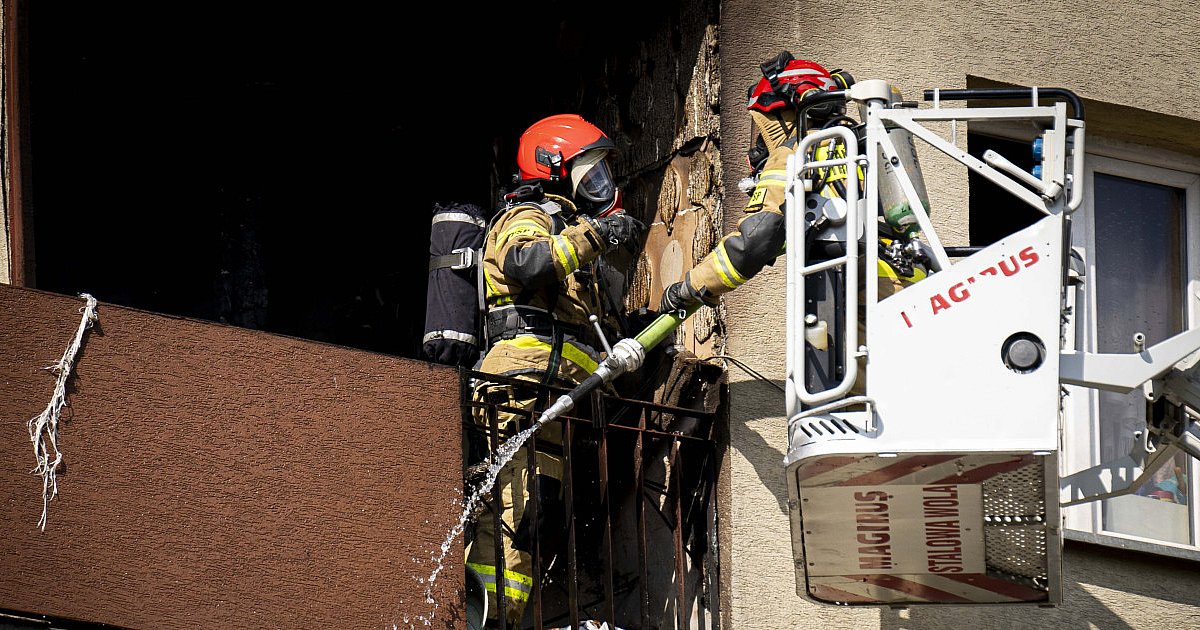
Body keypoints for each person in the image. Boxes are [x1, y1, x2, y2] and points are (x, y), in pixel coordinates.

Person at [465, 113, 645, 629]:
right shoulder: (528, 216)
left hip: (553, 394)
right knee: (521, 510)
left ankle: (497, 613)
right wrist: (597, 233)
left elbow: (588, 326)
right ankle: (486, 617)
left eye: (601, 175)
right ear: (552, 169)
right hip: (519, 387)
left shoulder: (566, 229)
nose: (598, 187)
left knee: (534, 513)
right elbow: (526, 263)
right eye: (588, 173)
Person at [659, 52, 926, 394]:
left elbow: (757, 239)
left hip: (860, 298)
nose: (758, 143)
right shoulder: (853, 146)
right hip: (899, 293)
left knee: (852, 407)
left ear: (788, 112)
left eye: (762, 126)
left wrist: (690, 287)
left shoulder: (800, 151)